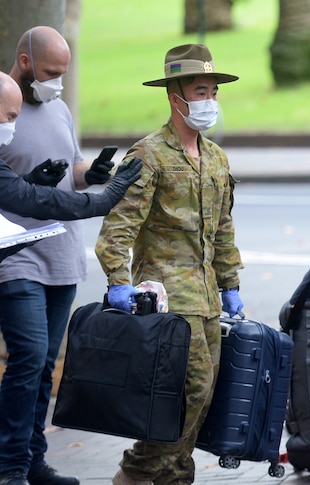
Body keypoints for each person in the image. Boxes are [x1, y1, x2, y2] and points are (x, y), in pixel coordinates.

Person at [94, 43, 244, 485]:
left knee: (201, 398)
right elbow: (117, 229)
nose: (209, 101)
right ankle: (138, 473)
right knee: (185, 393)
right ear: (174, 95)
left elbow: (223, 229)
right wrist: (119, 282)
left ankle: (175, 476)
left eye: (213, 91)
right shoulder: (149, 155)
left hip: (208, 299)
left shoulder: (216, 157)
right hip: (164, 301)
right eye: (201, 91)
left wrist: (230, 282)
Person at [0, 26, 144, 485]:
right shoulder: (5, 108)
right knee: (28, 357)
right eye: (50, 73)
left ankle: (31, 460)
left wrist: (92, 174)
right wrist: (102, 200)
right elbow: (18, 191)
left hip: (60, 252)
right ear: (25, 62)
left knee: (43, 366)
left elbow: (68, 172)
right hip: (17, 255)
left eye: (64, 73)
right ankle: (9, 467)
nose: (58, 82)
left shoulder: (58, 107)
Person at [0, 71, 142, 263]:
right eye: (10, 116)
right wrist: (104, 200)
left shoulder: (60, 109)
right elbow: (29, 198)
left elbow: (11, 190)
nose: (12, 126)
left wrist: (31, 181)